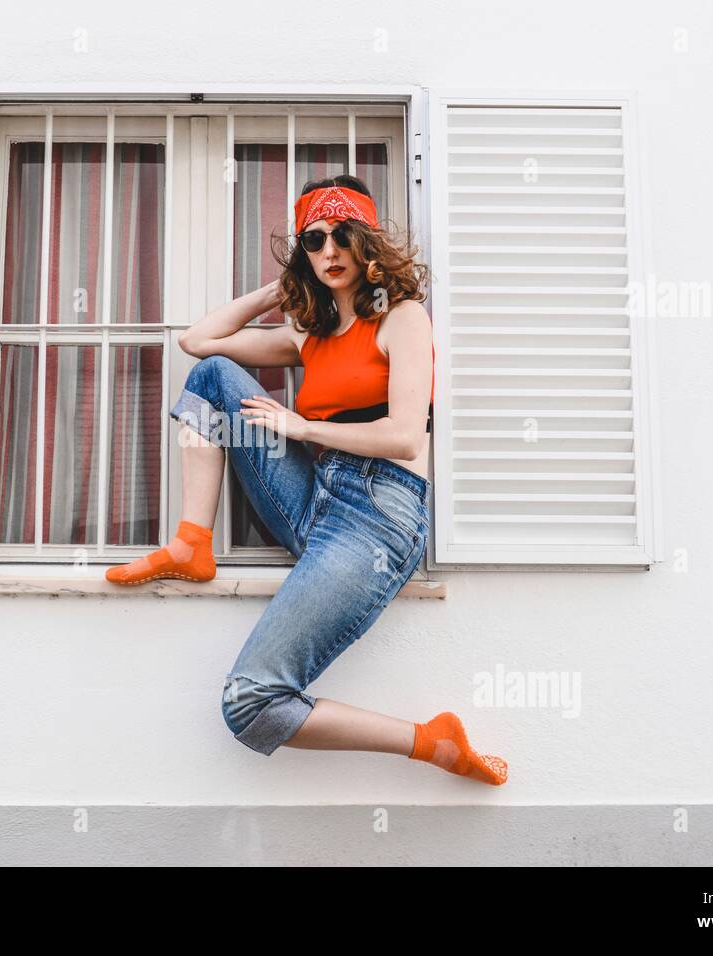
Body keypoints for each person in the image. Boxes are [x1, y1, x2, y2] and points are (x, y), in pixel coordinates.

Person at [104, 175, 508, 785]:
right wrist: (284, 283)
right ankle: (192, 542)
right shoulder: (310, 335)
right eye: (315, 241)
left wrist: (302, 428)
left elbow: (404, 437)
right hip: (314, 502)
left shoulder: (402, 320)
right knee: (214, 373)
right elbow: (197, 341)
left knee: (250, 701)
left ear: (368, 244)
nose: (330, 252)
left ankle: (433, 742)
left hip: (375, 516)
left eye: (342, 237)